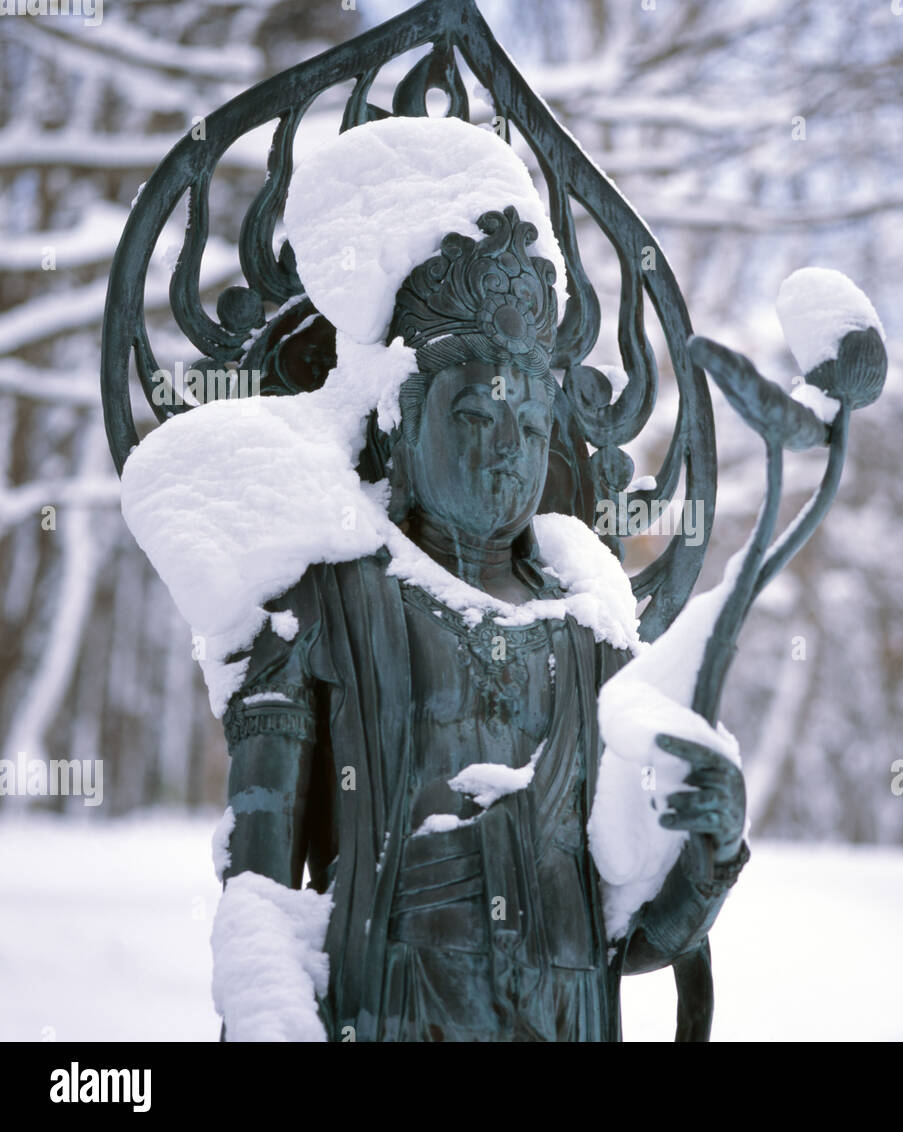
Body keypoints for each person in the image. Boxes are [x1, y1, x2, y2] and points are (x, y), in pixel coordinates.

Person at [218, 203, 748, 1042]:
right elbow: (259, 890)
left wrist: (709, 853)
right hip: (392, 1009)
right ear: (400, 423)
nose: (508, 447)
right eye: (473, 416)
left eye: (531, 424)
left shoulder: (593, 642)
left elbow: (628, 931)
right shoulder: (328, 603)